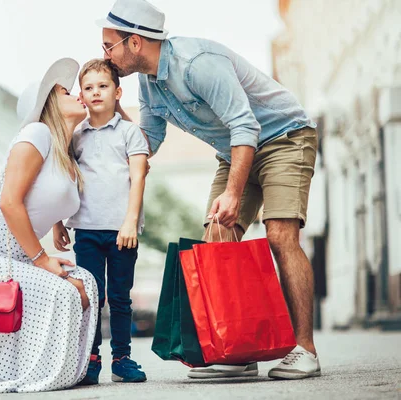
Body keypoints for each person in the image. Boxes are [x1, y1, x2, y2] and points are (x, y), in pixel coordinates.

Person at [97, 0, 321, 380]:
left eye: (108, 45)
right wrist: (108, 160)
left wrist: (233, 194)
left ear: (134, 42)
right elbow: (148, 138)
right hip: (233, 150)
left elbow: (245, 126)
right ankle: (239, 350)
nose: (104, 54)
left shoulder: (197, 64)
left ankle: (305, 350)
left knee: (281, 235)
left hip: (284, 138)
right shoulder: (149, 82)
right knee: (215, 241)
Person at [0, 58, 99, 393]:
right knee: (63, 289)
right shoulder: (36, 133)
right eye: (66, 91)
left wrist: (57, 224)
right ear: (49, 104)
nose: (78, 95)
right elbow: (9, 202)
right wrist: (42, 259)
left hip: (15, 257)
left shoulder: (63, 153)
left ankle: (61, 371)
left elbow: (43, 194)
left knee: (86, 282)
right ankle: (32, 375)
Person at [53, 59, 149, 384]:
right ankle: (90, 360)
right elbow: (62, 180)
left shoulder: (130, 132)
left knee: (120, 297)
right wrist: (57, 223)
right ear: (81, 94)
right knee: (92, 297)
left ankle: (122, 359)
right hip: (87, 230)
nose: (96, 92)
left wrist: (130, 222)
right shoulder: (76, 136)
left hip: (123, 231)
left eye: (103, 86)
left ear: (117, 91)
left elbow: (138, 178)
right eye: (89, 87)